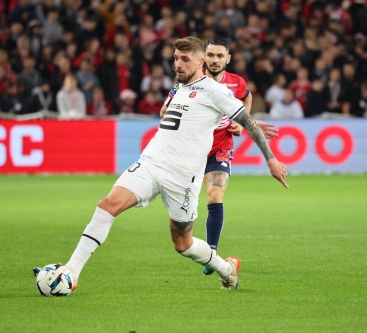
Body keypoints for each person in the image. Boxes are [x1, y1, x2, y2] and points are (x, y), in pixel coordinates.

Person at [34, 37, 288, 292]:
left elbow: (249, 122)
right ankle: (73, 270)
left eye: (184, 59)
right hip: (152, 162)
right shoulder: (178, 86)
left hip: (183, 177)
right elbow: (170, 113)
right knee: (107, 205)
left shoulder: (215, 90)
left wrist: (271, 159)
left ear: (201, 62)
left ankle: (227, 269)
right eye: (176, 58)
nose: (177, 63)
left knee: (183, 243)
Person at [160, 37, 278, 275]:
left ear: (228, 59)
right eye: (210, 56)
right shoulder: (187, 81)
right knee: (182, 211)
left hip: (219, 148)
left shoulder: (237, 83)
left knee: (215, 195)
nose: (215, 60)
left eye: (219, 56)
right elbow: (164, 111)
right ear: (203, 58)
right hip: (191, 151)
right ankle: (195, 247)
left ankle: (211, 253)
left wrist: (241, 122)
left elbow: (246, 99)